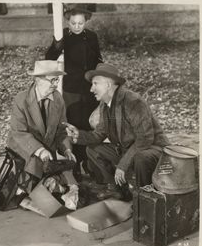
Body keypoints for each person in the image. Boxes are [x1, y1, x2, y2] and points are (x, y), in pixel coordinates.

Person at [63, 63, 170, 200]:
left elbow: (145, 139)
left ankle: (144, 198)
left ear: (108, 85)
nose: (91, 89)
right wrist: (78, 135)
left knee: (140, 157)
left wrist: (123, 165)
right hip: (130, 150)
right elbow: (98, 135)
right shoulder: (105, 104)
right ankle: (116, 189)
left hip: (153, 150)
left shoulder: (133, 101)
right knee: (93, 149)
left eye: (95, 84)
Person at [45, 4, 103, 179]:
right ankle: (75, 164)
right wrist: (57, 44)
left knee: (89, 125)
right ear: (68, 21)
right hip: (72, 89)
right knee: (74, 124)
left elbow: (98, 60)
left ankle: (89, 163)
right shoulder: (63, 35)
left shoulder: (92, 37)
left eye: (80, 23)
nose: (77, 26)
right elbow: (49, 57)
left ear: (85, 21)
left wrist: (100, 81)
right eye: (73, 23)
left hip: (90, 89)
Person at [7, 60, 77, 196]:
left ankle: (42, 188)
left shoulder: (58, 99)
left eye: (57, 80)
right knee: (35, 164)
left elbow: (62, 131)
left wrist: (67, 149)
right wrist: (40, 150)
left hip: (46, 146)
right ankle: (26, 188)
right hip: (22, 144)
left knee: (64, 172)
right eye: (52, 80)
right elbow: (19, 133)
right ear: (38, 80)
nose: (56, 84)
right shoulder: (21, 100)